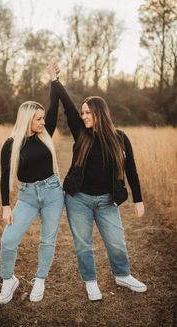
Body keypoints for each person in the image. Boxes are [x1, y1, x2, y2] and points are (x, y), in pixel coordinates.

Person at [48, 63, 147, 301]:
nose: (83, 116)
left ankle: (122, 275)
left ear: (99, 113)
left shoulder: (120, 138)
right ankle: (91, 282)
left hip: (106, 201)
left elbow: (130, 169)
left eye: (87, 113)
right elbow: (65, 101)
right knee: (83, 245)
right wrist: (54, 80)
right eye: (81, 113)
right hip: (78, 200)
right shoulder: (80, 131)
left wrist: (138, 199)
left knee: (116, 242)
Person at [0, 70, 64, 304]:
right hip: (26, 197)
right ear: (27, 119)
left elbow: (54, 105)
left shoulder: (45, 133)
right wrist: (6, 206)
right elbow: (5, 177)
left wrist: (54, 80)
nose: (43, 122)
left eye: (43, 118)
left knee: (48, 240)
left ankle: (40, 279)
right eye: (38, 119)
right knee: (8, 240)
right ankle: (8, 280)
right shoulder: (10, 145)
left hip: (53, 193)